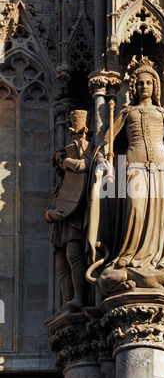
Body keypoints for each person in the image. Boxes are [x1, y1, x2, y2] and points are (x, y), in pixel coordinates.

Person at [85, 58, 164, 297]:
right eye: (139, 83)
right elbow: (106, 142)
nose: (144, 86)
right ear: (134, 88)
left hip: (162, 167)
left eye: (148, 82)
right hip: (134, 165)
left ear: (155, 87)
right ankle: (129, 257)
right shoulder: (126, 112)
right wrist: (101, 159)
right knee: (136, 211)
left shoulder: (162, 113)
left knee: (157, 215)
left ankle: (154, 259)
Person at [45, 110, 93, 312]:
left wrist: (68, 161)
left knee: (74, 256)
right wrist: (50, 214)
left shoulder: (86, 148)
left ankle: (79, 297)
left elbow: (88, 165)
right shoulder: (62, 185)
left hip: (76, 217)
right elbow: (51, 207)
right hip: (60, 224)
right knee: (61, 264)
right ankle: (67, 302)